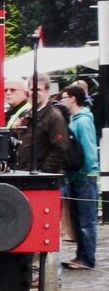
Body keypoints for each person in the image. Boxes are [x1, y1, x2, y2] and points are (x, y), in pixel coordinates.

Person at [58, 85, 98, 269]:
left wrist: (84, 173)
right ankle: (81, 256)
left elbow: (89, 151)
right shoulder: (75, 120)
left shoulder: (82, 121)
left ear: (73, 98)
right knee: (78, 218)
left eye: (64, 97)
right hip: (76, 176)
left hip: (83, 177)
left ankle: (87, 258)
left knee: (86, 220)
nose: (62, 100)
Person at [13, 74, 67, 173]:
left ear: (47, 91)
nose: (34, 93)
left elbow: (60, 149)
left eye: (38, 90)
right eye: (32, 89)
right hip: (24, 173)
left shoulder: (54, 117)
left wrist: (43, 172)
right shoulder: (26, 114)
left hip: (41, 178)